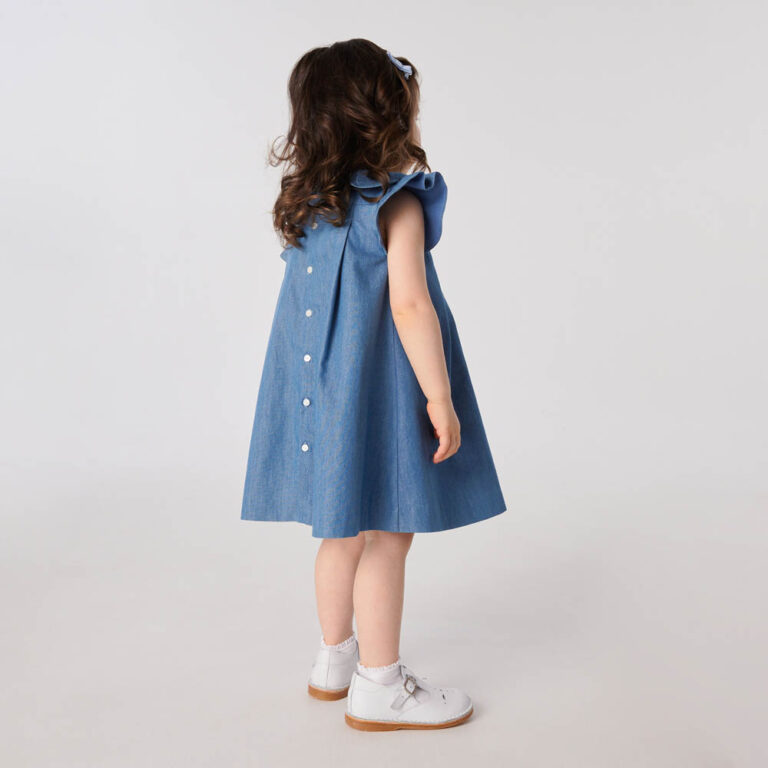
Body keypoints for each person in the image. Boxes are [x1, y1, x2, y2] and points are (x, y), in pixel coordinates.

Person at [241, 38, 506, 731]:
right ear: (388, 115)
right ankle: (380, 684)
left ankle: (333, 661)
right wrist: (440, 397)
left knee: (340, 534)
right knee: (389, 532)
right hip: (382, 396)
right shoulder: (397, 201)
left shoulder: (309, 205)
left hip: (324, 394)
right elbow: (410, 306)